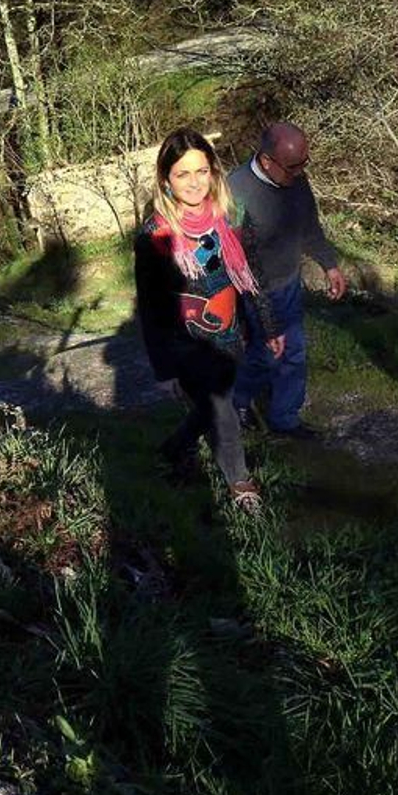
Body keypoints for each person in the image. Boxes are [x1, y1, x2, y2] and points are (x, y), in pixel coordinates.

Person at [135, 127, 284, 511]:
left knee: (209, 406)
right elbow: (151, 307)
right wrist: (164, 368)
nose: (194, 182)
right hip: (187, 345)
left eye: (201, 171)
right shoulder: (155, 234)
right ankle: (240, 481)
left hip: (231, 335)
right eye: (182, 174)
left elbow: (253, 277)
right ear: (166, 179)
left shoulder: (232, 216)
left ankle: (174, 447)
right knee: (221, 406)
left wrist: (268, 326)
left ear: (214, 171)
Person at [227, 122, 346, 438]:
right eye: (293, 166)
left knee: (293, 352)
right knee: (266, 352)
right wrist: (262, 310)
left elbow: (309, 226)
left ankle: (285, 419)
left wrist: (329, 265)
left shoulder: (296, 179)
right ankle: (238, 401)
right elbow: (235, 256)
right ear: (267, 161)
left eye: (304, 163)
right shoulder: (235, 192)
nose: (300, 172)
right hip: (254, 290)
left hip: (288, 282)